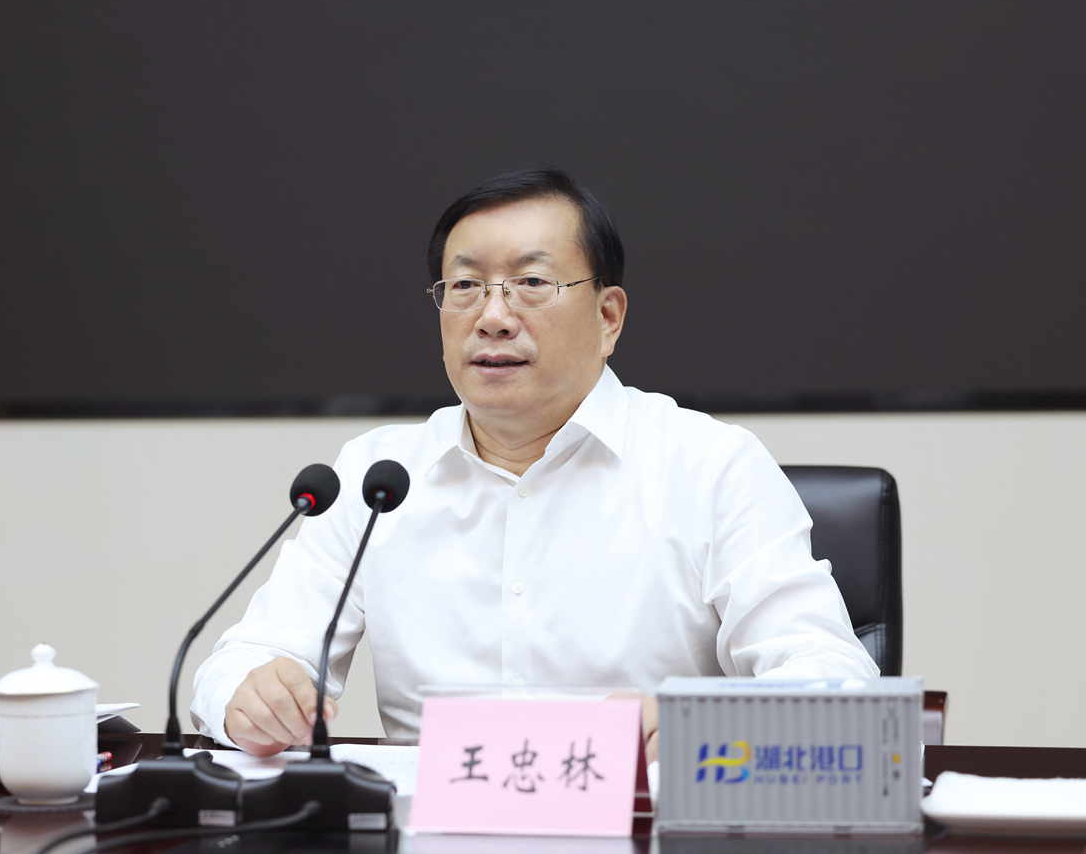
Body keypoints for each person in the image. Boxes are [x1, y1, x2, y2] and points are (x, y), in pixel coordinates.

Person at [191, 165, 878, 760]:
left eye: (530, 281)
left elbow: (837, 682)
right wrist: (249, 701)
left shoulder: (709, 466)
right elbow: (240, 665)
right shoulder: (378, 474)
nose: (492, 316)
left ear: (608, 317)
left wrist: (696, 726)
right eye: (465, 285)